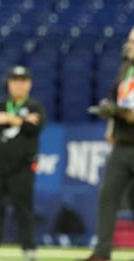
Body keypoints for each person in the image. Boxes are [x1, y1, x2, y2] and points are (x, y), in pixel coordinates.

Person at [81, 27, 134, 261]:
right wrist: (110, 120)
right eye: (129, 40)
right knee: (107, 197)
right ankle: (102, 253)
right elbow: (115, 100)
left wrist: (118, 112)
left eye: (133, 41)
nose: (128, 44)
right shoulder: (125, 69)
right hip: (122, 144)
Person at [0, 65, 45, 261]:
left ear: (29, 84)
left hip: (22, 168)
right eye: (15, 81)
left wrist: (9, 119)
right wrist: (21, 119)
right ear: (8, 83)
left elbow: (34, 127)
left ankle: (29, 250)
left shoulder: (35, 106)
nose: (18, 85)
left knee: (24, 211)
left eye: (23, 81)